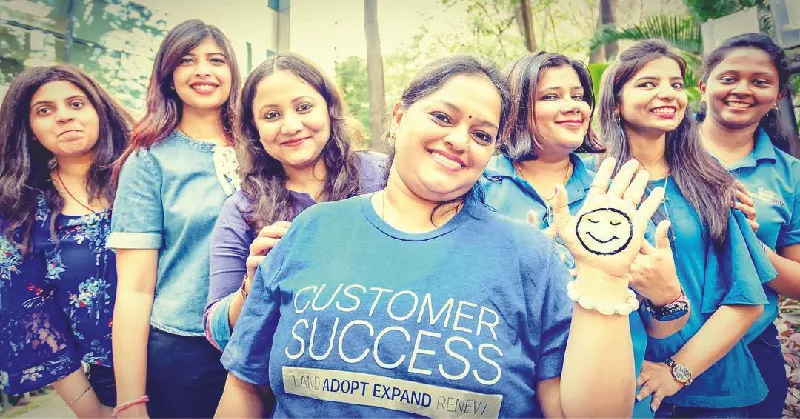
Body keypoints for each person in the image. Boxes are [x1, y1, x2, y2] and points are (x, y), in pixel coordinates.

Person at [214, 55, 667, 418]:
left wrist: (603, 281)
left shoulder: (530, 257)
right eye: (441, 116)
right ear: (399, 116)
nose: (458, 139)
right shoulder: (312, 230)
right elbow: (244, 388)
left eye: (482, 133)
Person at [483, 51, 688, 418]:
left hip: (608, 396)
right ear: (513, 107)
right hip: (504, 395)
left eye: (578, 96)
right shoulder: (478, 186)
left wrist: (667, 295)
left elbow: (661, 330)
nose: (573, 106)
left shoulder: (616, 192)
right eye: (551, 96)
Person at [598, 39, 775, 417]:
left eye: (676, 84)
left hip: (711, 386)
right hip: (623, 384)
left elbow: (746, 299)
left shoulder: (713, 183)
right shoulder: (591, 184)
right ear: (615, 101)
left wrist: (676, 372)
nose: (667, 94)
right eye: (647, 84)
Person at [205, 53, 386, 351]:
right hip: (288, 377)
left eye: (304, 107)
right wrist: (252, 283)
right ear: (255, 129)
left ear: (329, 109)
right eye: (271, 115)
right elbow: (218, 331)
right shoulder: (242, 209)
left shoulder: (383, 176)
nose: (290, 126)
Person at [107, 19, 241, 418]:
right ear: (168, 77)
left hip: (268, 338)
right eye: (187, 60)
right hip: (186, 352)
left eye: (215, 60)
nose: (203, 70)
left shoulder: (266, 146)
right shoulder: (148, 161)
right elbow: (134, 289)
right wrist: (129, 401)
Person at [0, 65, 132, 417]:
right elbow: (30, 314)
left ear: (98, 110)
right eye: (45, 110)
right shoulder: (22, 209)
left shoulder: (144, 175)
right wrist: (92, 410)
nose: (63, 117)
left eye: (76, 104)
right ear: (28, 127)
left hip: (192, 357)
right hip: (109, 381)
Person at [697, 33, 800, 418]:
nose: (742, 89)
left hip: (753, 345)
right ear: (703, 85)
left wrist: (749, 244)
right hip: (663, 339)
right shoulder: (661, 150)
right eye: (729, 78)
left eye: (760, 82)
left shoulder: (790, 175)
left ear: (777, 97)